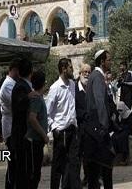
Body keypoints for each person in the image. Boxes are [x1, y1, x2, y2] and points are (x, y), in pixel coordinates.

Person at [82, 49, 115, 189]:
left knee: (96, 169)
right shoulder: (97, 77)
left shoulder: (96, 76)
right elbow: (100, 102)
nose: (110, 62)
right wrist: (104, 127)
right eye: (108, 59)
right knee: (104, 167)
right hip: (98, 130)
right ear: (102, 61)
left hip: (95, 129)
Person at [46, 58, 80, 189]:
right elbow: (47, 112)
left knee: (73, 164)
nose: (72, 70)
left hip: (72, 129)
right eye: (70, 67)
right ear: (64, 69)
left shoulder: (72, 84)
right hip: (61, 132)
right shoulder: (55, 88)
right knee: (58, 166)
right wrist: (55, 129)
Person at [11, 58, 34, 189]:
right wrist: (28, 97)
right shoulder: (21, 86)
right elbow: (19, 106)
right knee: (23, 169)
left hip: (22, 135)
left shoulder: (23, 85)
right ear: (30, 71)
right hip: (21, 135)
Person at [0, 57, 21, 189]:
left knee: (16, 162)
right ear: (14, 70)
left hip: (14, 126)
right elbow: (15, 105)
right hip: (10, 126)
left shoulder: (13, 83)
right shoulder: (7, 85)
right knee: (12, 162)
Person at [25, 70, 49, 189]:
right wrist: (44, 135)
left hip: (37, 141)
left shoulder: (38, 97)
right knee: (34, 174)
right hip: (34, 140)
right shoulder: (36, 98)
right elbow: (32, 119)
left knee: (36, 173)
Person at [76, 63, 91, 187]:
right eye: (84, 72)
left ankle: (88, 177)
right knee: (78, 155)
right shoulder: (75, 89)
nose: (86, 74)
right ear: (80, 74)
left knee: (89, 155)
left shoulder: (91, 88)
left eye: (88, 72)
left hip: (91, 128)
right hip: (79, 127)